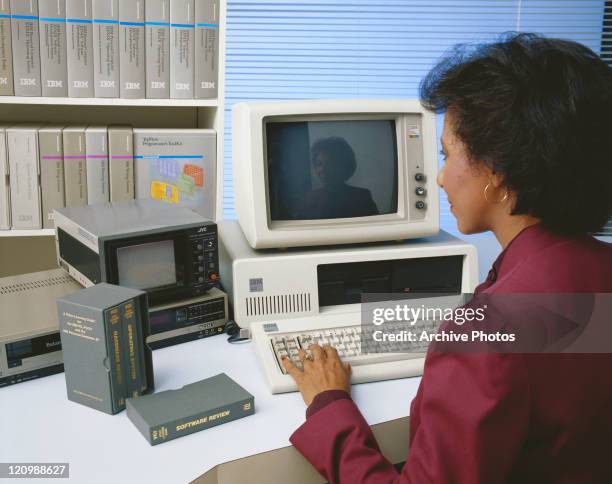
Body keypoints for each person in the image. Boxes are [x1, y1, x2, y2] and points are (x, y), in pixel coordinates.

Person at [281, 33, 612, 483]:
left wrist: (329, 406)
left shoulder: (487, 336)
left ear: (496, 171)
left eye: (447, 154)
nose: (437, 178)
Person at [296, 136, 379, 219]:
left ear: (344, 166)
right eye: (319, 164)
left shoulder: (362, 197)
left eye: (330, 164)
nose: (323, 170)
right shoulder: (309, 198)